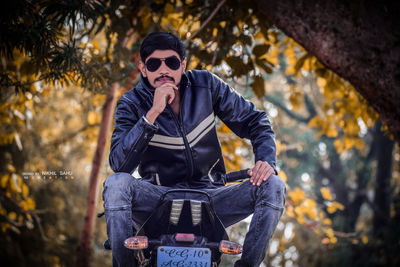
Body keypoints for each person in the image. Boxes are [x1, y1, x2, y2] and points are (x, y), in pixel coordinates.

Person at [102, 32, 286, 267]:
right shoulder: (131, 103)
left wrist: (266, 160)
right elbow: (120, 165)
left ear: (183, 64)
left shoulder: (206, 84)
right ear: (143, 68)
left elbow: (256, 121)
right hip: (156, 198)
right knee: (115, 183)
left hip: (212, 197)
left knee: (274, 185)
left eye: (172, 62)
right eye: (154, 64)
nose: (164, 70)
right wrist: (152, 114)